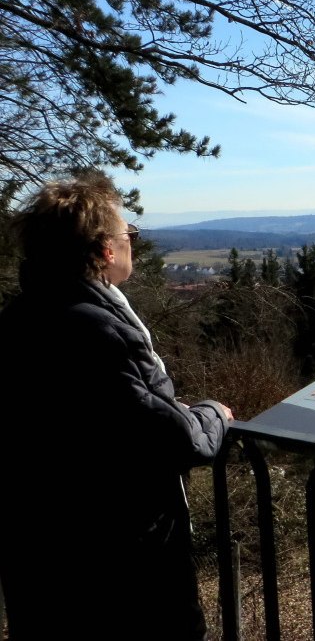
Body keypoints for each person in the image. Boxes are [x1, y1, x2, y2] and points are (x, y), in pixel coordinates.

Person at [0, 176, 234, 640]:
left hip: (40, 558)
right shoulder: (97, 331)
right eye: (131, 236)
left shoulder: (17, 319)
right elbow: (175, 437)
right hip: (123, 569)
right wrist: (213, 413)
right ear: (107, 251)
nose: (133, 245)